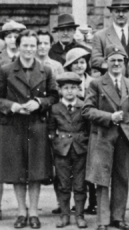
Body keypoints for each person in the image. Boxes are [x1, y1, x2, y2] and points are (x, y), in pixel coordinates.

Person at [0, 30, 59, 228]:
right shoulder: (6, 70)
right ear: (18, 46)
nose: (29, 49)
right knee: (18, 171)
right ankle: (21, 212)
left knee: (36, 171)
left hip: (37, 126)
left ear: (37, 47)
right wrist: (12, 106)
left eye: (32, 45)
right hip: (13, 127)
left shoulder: (46, 70)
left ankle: (34, 213)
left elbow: (54, 96)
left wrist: (39, 102)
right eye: (25, 45)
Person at [83, 47, 129, 230]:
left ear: (124, 63)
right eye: (112, 60)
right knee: (102, 178)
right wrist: (109, 117)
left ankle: (118, 217)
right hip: (103, 136)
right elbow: (87, 110)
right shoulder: (96, 84)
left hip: (124, 137)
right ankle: (103, 220)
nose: (116, 64)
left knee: (122, 177)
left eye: (120, 60)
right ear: (106, 62)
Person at [49, 72, 89, 229]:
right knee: (63, 184)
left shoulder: (84, 106)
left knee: (80, 184)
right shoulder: (55, 108)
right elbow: (51, 130)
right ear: (60, 90)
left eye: (73, 87)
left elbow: (88, 128)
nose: (70, 91)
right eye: (66, 88)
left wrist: (84, 142)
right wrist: (55, 144)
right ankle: (64, 215)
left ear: (79, 89)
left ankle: (80, 215)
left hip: (80, 149)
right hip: (61, 150)